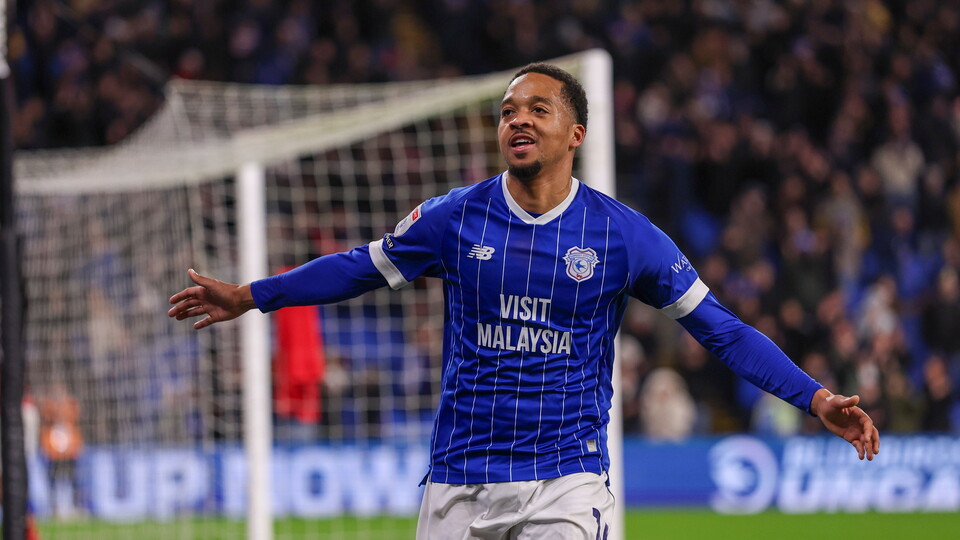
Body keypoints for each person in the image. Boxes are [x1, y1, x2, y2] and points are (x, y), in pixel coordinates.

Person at [168, 63, 880, 539]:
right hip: (457, 479)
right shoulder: (454, 218)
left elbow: (721, 331)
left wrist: (815, 399)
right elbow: (361, 268)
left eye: (538, 109)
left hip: (564, 486)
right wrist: (253, 296)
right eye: (508, 111)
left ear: (575, 134)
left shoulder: (623, 236)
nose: (517, 120)